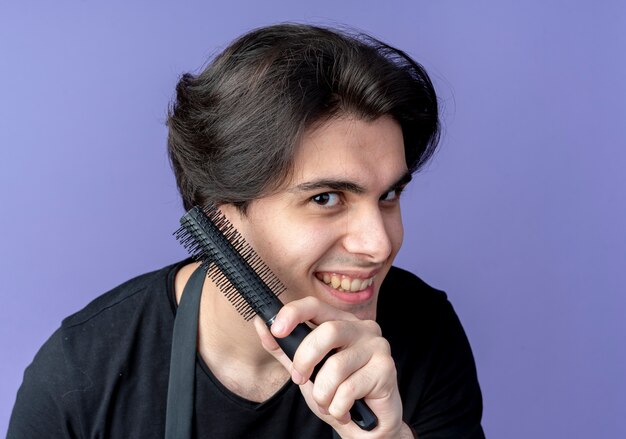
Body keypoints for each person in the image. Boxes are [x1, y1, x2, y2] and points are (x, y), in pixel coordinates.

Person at [8, 23, 485, 438]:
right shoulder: (80, 374)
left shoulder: (425, 333)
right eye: (325, 199)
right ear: (220, 215)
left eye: (388, 195)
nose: (379, 244)